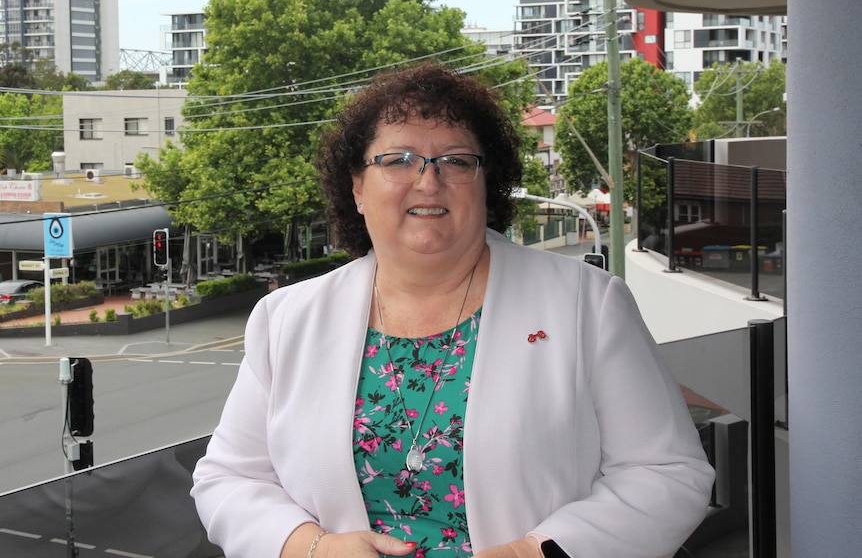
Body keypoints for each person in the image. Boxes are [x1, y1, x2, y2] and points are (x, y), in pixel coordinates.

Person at [191, 63, 715, 558]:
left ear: (488, 184)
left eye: (457, 160)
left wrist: (540, 551)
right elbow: (228, 478)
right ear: (356, 186)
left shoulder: (587, 303)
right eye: (397, 160)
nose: (428, 180)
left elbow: (667, 470)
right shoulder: (286, 318)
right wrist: (311, 547)